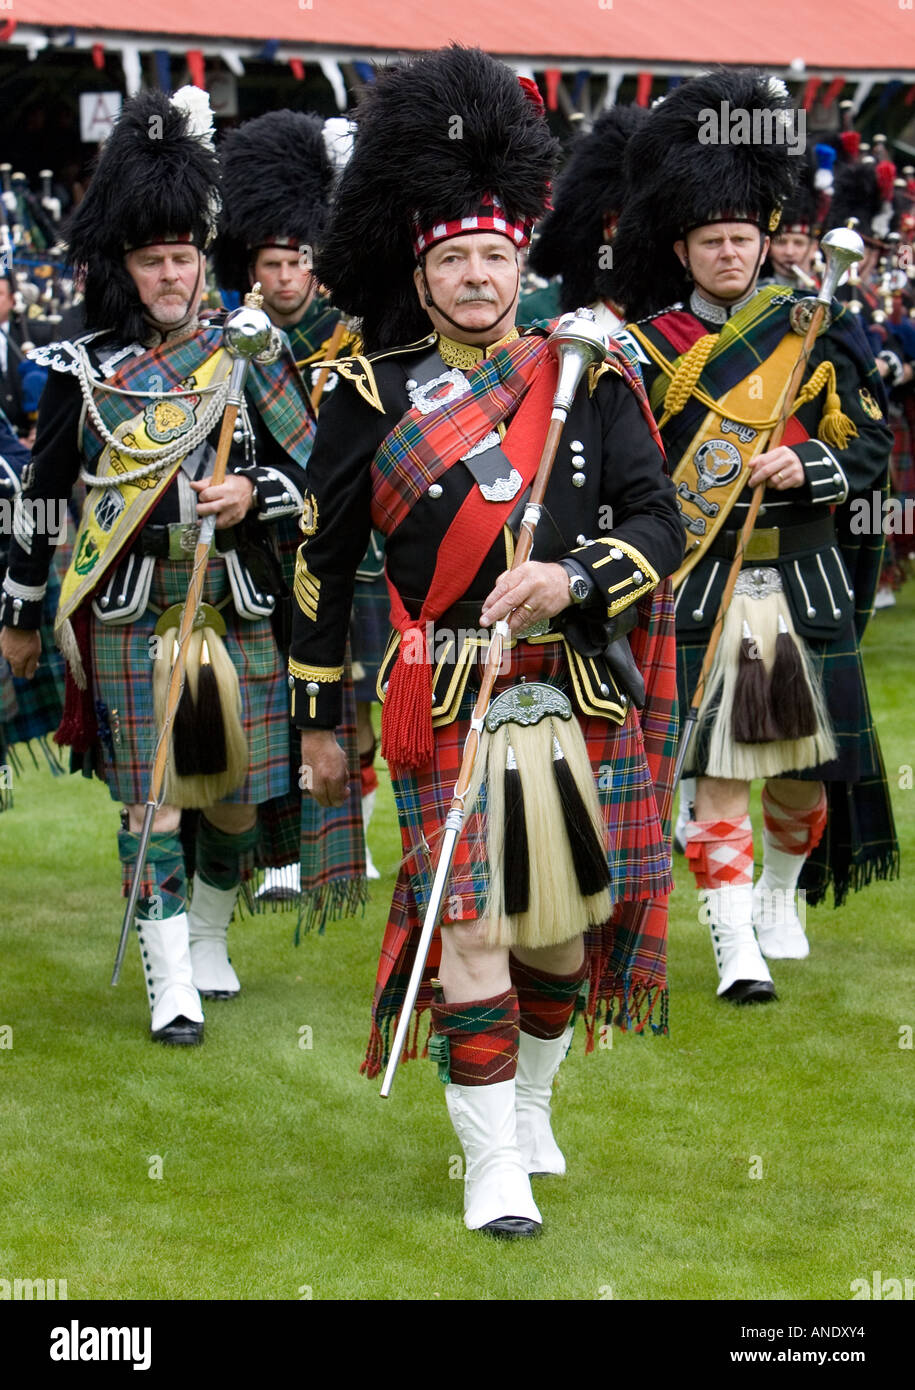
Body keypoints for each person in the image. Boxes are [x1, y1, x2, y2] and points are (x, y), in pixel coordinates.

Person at [289, 45, 684, 1238]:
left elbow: (661, 517)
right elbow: (322, 556)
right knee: (468, 923)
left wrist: (573, 574)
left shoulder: (589, 366)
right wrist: (319, 718)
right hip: (440, 690)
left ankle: (533, 1100)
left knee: (560, 938)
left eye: (494, 257)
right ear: (424, 265)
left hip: (567, 685)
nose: (474, 276)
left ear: (522, 260)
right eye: (453, 258)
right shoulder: (368, 388)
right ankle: (490, 1161)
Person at [0, 88, 313, 1045]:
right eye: (152, 260)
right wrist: (17, 613)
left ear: (200, 259)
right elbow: (42, 498)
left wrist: (253, 495)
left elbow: (317, 488)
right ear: (124, 268)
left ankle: (210, 934)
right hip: (133, 607)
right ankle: (169, 982)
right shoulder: (81, 369)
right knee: (156, 801)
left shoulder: (251, 351)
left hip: (234, 602)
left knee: (228, 804)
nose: (170, 275)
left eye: (182, 258)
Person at [612, 68, 899, 1003]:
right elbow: (628, 467)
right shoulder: (648, 349)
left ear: (762, 242)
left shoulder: (812, 330)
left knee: (804, 774)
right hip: (699, 582)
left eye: (741, 240)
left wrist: (807, 466)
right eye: (712, 242)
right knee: (717, 771)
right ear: (684, 248)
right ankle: (732, 937)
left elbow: (868, 440)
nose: (729, 255)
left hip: (801, 578)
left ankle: (781, 895)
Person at [215, 108, 369, 915]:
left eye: (297, 262)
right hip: (259, 558)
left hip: (341, 543)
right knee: (276, 701)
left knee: (343, 699)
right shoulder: (230, 340)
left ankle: (337, 841)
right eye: (271, 263)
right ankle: (278, 856)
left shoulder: (349, 338)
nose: (283, 278)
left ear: (317, 265)